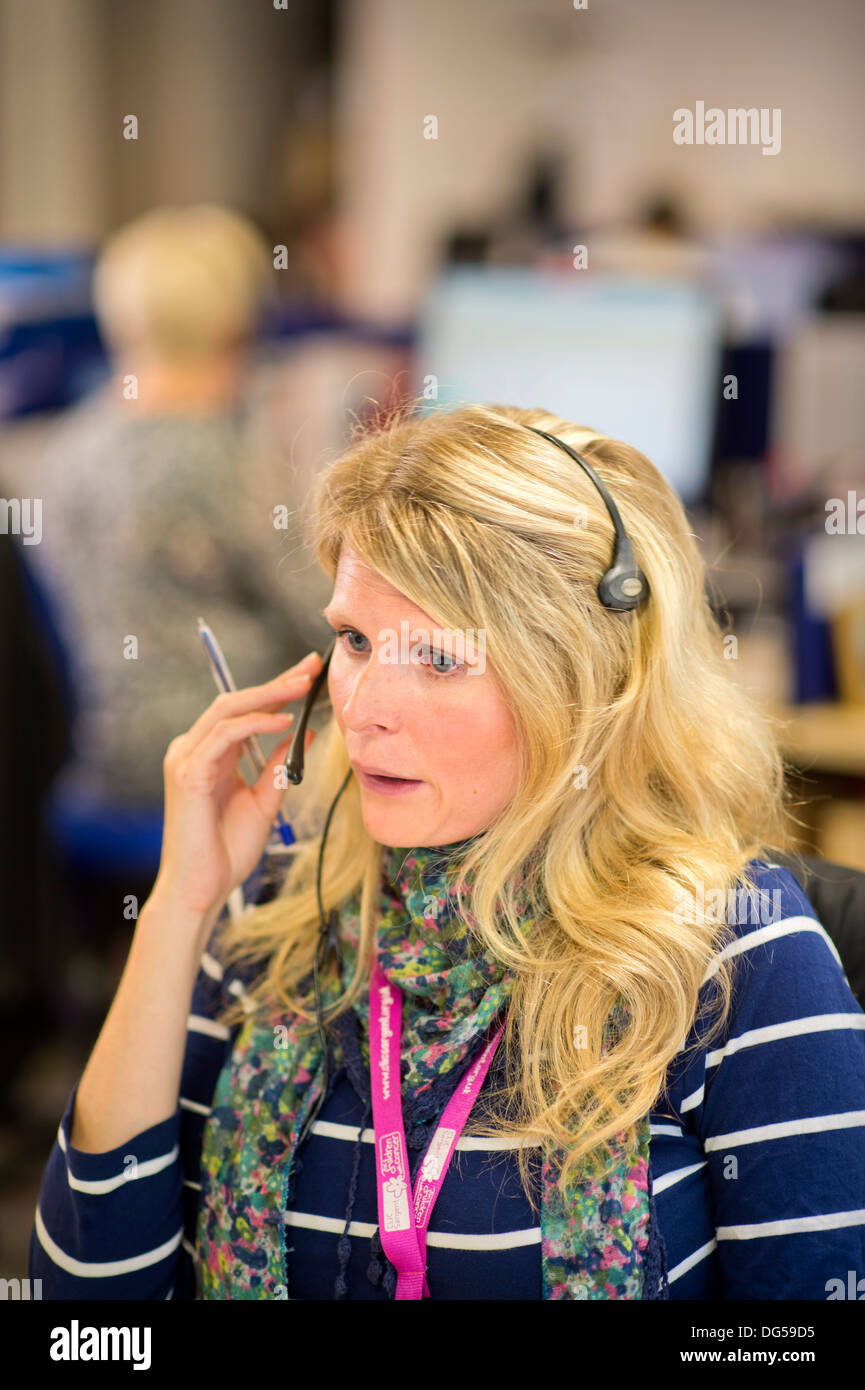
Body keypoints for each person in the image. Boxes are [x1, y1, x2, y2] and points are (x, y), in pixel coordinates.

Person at [29, 403, 865, 1299]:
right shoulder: (273, 910)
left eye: (437, 659)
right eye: (353, 640)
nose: (363, 708)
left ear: (582, 683)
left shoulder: (732, 953)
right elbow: (86, 1311)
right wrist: (178, 908)